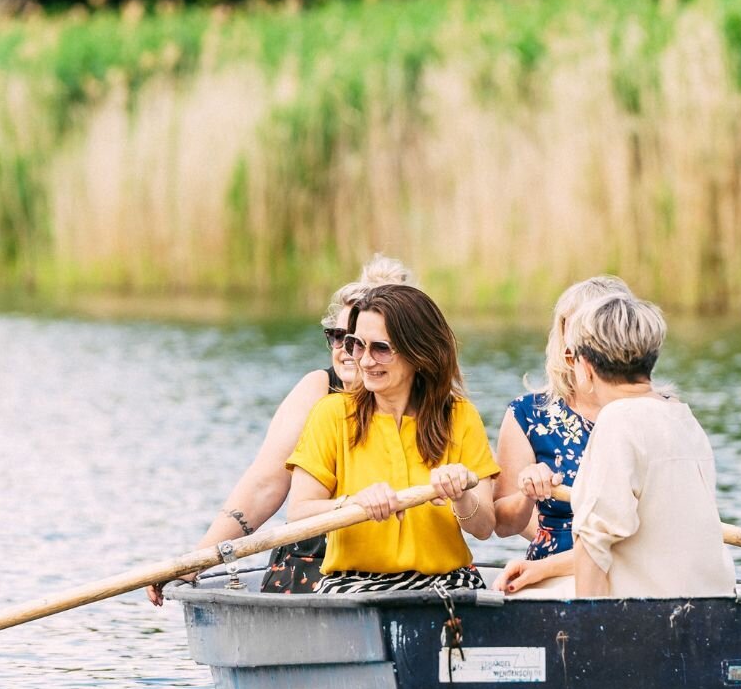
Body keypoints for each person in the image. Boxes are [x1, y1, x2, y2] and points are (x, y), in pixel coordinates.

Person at [147, 255, 412, 602]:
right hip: (319, 562)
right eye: (337, 337)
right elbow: (265, 484)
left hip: (406, 560)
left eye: (363, 341)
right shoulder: (318, 389)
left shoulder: (429, 401)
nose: (350, 352)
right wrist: (196, 560)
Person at [284, 283, 501, 594]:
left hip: (448, 585)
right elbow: (298, 513)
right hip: (354, 584)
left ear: (419, 352)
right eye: (356, 344)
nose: (365, 361)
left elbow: (484, 528)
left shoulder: (461, 416)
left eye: (381, 348)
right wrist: (353, 503)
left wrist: (461, 495)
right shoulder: (331, 414)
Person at [562, 294, 736, 598]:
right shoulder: (681, 415)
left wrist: (589, 639)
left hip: (649, 611)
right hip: (709, 601)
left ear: (585, 366)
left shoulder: (617, 421)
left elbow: (592, 543)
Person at [491, 275, 632, 597]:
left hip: (631, 570)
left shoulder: (653, 412)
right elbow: (503, 524)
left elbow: (645, 536)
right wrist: (529, 492)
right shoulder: (528, 413)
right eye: (572, 329)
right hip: (551, 576)